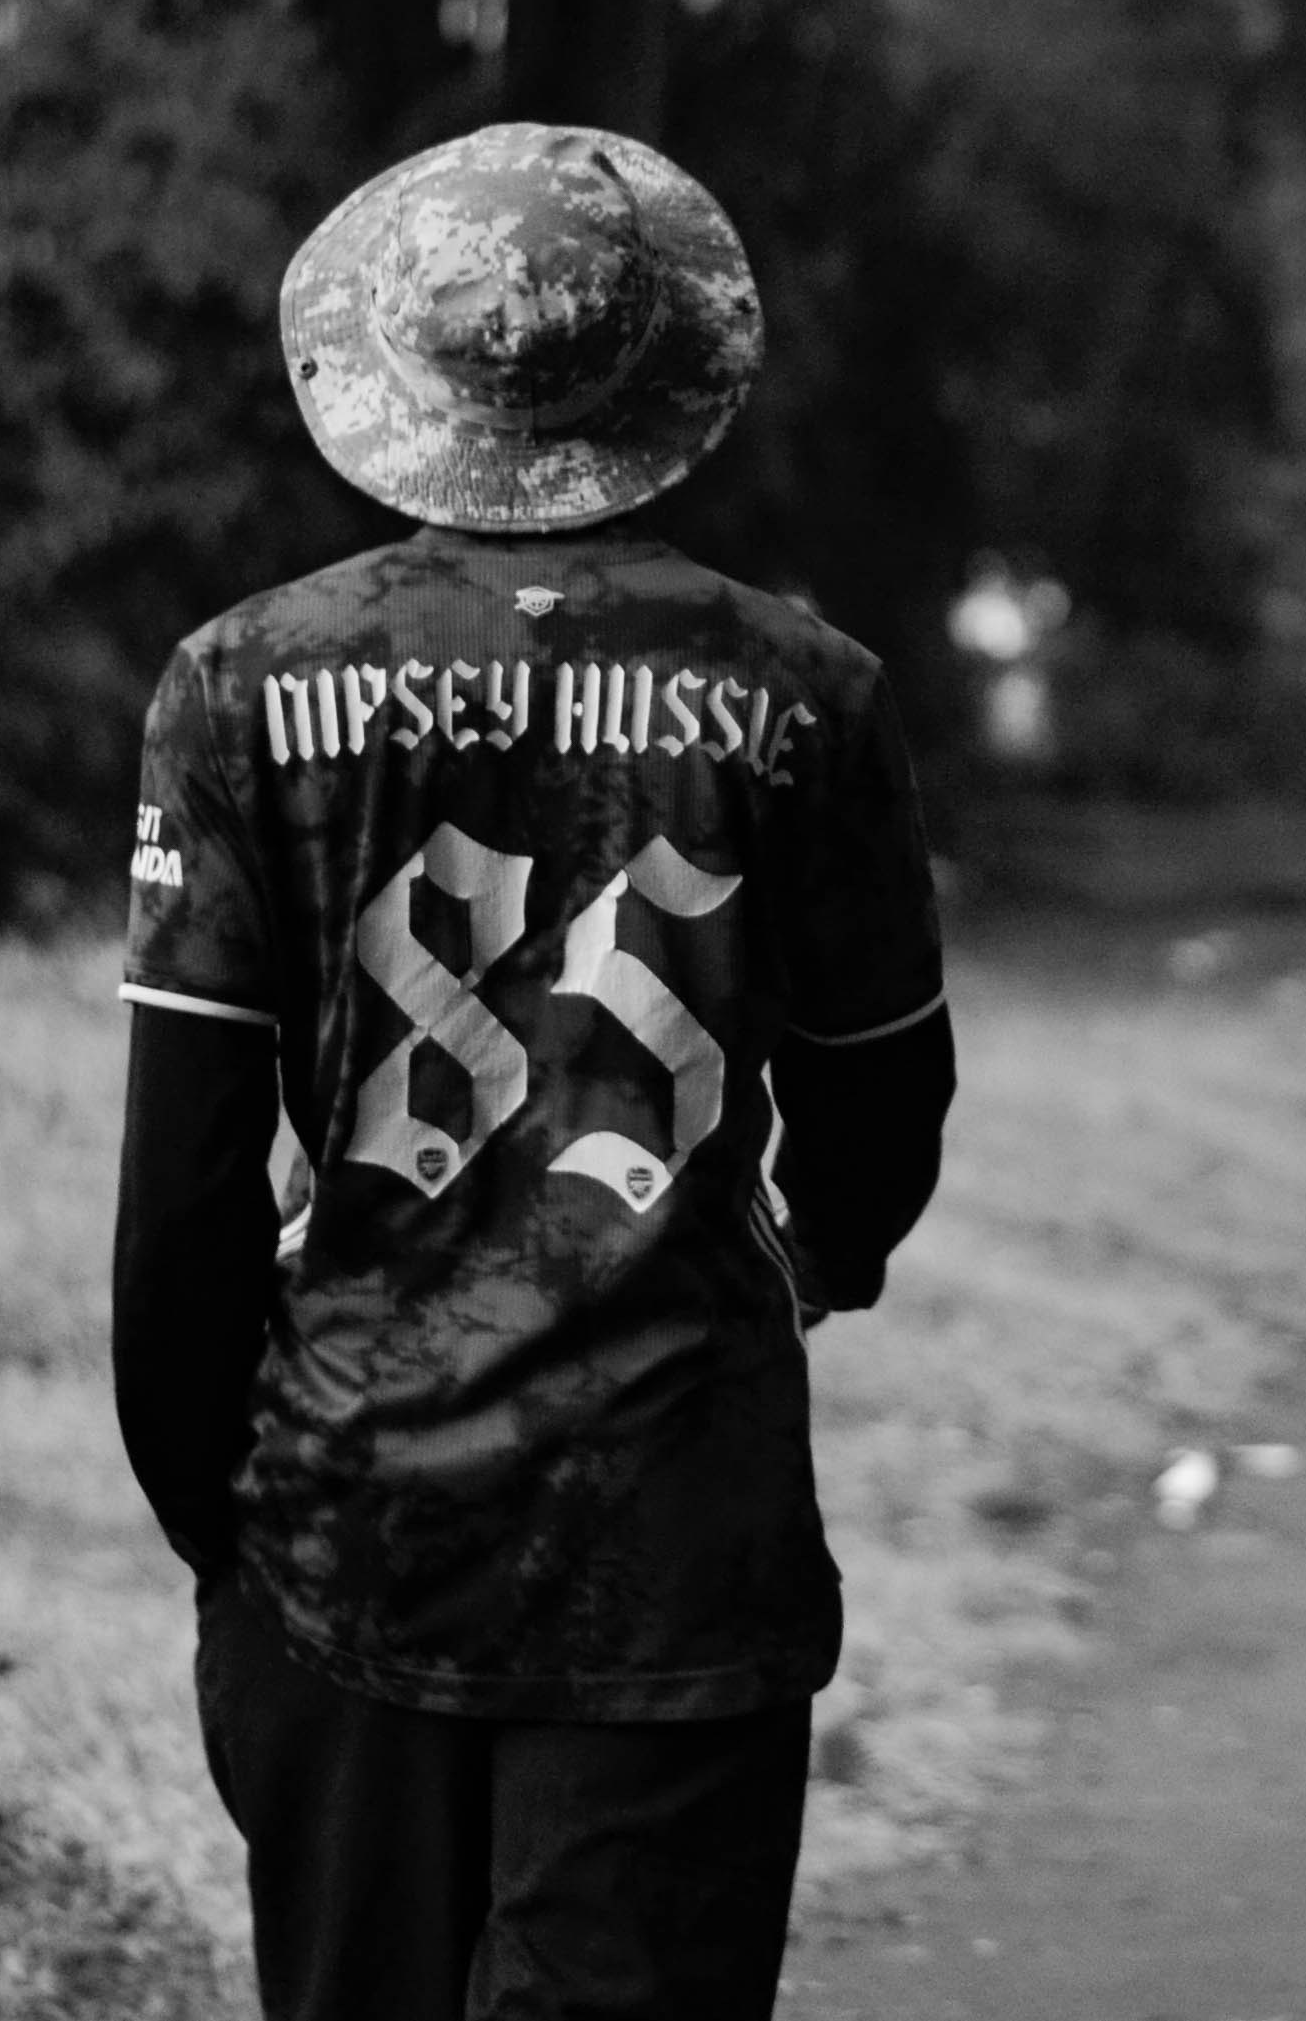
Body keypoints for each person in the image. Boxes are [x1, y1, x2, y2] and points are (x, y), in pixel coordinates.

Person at [109, 123, 956, 2021]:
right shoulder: (805, 696)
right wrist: (819, 1255)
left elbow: (179, 1203)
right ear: (664, 368)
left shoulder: (239, 686)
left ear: (396, 371)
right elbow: (883, 1106)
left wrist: (226, 1528)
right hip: (677, 1546)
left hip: (347, 1539)